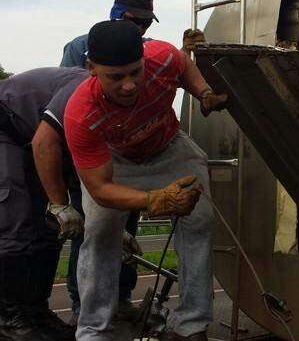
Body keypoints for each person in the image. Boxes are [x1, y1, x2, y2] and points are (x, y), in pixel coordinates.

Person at [62, 20, 227, 341]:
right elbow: (100, 189)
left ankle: (191, 326)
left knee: (200, 221)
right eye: (115, 77)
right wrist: (154, 200)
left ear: (144, 61)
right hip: (115, 161)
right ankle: (94, 330)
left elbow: (183, 66)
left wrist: (203, 91)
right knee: (99, 233)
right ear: (91, 68)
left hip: (168, 147)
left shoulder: (162, 56)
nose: (129, 86)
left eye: (135, 72)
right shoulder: (80, 114)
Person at [60, 0, 159, 323]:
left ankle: (121, 298)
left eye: (147, 24)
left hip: (125, 157)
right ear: (118, 14)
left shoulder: (145, 53)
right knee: (94, 231)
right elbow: (69, 107)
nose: (142, 30)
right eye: (137, 21)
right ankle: (81, 304)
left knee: (126, 227)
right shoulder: (79, 49)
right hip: (88, 155)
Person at [0, 67, 89, 341]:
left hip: (32, 140)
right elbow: (44, 141)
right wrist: (60, 204)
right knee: (13, 219)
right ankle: (8, 318)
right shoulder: (81, 89)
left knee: (50, 228)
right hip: (6, 126)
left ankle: (36, 311)